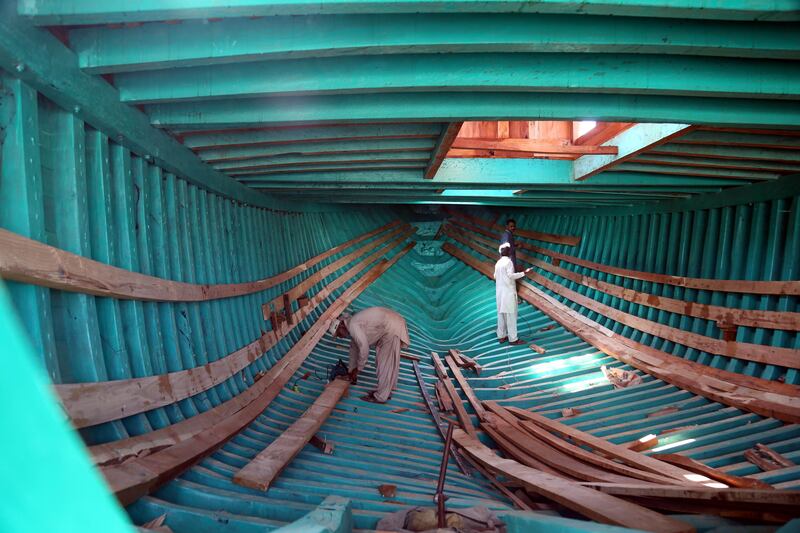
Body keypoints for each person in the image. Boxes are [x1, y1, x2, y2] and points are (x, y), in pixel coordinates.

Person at [328, 307, 410, 404]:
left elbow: (364, 350)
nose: (340, 337)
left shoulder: (353, 325)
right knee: (386, 362)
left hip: (391, 327)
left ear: (341, 326)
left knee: (384, 363)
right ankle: (385, 392)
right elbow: (354, 350)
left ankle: (381, 397)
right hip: (391, 324)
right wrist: (351, 373)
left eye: (338, 334)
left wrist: (357, 370)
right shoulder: (352, 324)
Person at [494, 243, 531, 345]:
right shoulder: (509, 262)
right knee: (511, 316)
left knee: (501, 315)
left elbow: (495, 276)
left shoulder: (498, 263)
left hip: (500, 293)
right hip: (508, 293)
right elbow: (510, 275)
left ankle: (501, 336)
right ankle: (513, 339)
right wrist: (524, 273)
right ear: (509, 253)